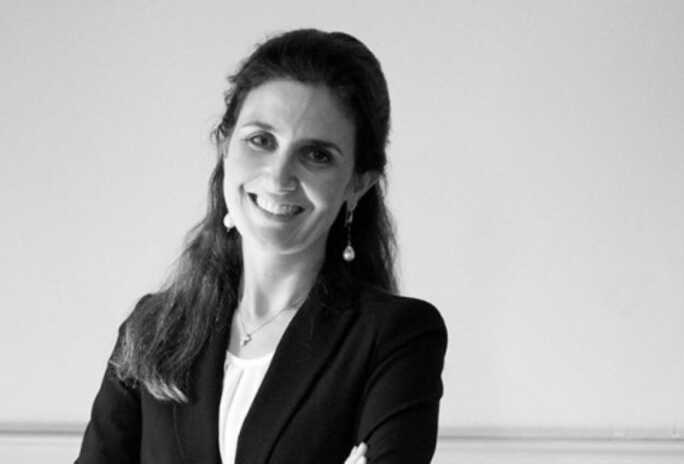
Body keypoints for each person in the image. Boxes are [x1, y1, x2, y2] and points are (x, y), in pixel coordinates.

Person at [75, 28, 447, 464]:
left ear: (357, 183)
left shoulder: (395, 337)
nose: (279, 176)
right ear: (225, 146)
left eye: (317, 155)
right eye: (261, 140)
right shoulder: (152, 330)